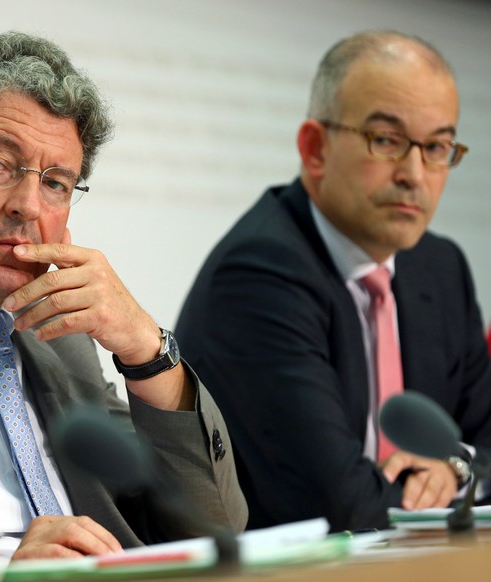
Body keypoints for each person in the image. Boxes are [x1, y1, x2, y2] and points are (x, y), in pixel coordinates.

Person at [0, 30, 247, 566]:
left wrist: (147, 348)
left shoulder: (54, 332)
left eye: (56, 182)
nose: (28, 206)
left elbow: (216, 523)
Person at [175, 30, 491, 532]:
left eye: (437, 146)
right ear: (314, 147)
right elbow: (340, 504)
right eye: (386, 140)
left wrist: (453, 468)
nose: (414, 173)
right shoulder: (259, 274)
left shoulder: (440, 266)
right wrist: (448, 493)